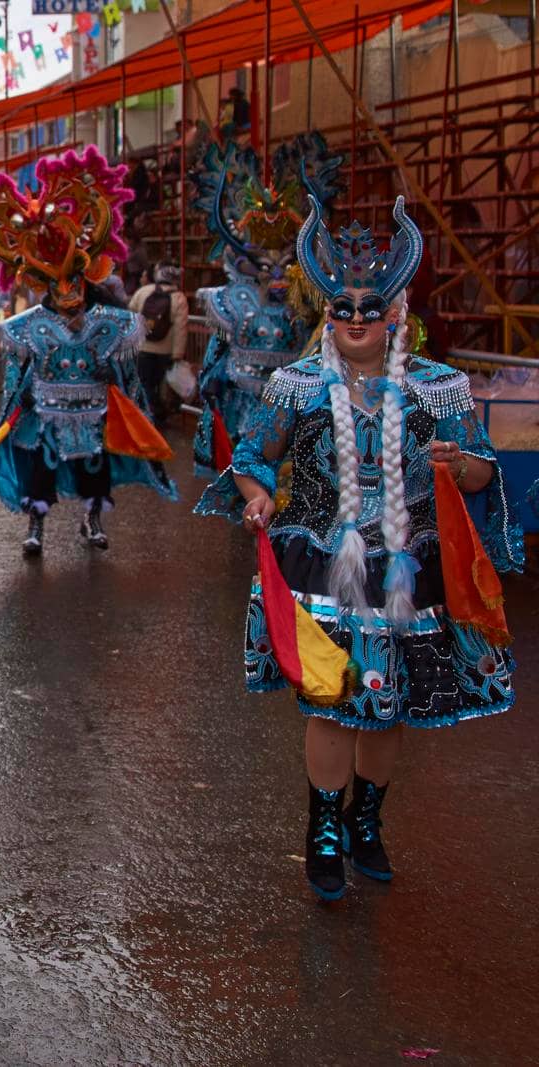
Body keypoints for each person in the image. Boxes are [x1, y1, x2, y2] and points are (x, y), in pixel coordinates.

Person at [196, 197, 522, 902]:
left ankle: (365, 820)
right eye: (341, 308)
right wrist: (256, 494)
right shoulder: (299, 385)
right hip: (320, 565)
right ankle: (323, 830)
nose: (355, 320)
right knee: (332, 702)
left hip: (408, 568)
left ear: (395, 313)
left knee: (388, 705)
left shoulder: (438, 389)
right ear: (326, 314)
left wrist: (454, 462)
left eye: (370, 308)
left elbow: (484, 473)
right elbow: (252, 453)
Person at [0, 146, 177, 554]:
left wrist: (125, 397)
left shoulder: (110, 323)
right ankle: (35, 527)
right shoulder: (29, 326)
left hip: (92, 413)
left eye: (74, 284)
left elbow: (126, 373)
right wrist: (13, 412)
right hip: (45, 414)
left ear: (86, 281)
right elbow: (16, 379)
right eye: (59, 287)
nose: (68, 294)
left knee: (95, 473)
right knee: (41, 473)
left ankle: (92, 522)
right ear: (46, 287)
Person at [190, 134, 341, 477]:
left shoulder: (307, 300)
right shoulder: (232, 300)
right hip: (243, 399)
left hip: (291, 402)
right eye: (264, 263)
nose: (274, 272)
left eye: (284, 262)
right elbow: (218, 349)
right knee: (246, 465)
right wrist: (212, 380)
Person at [127, 262, 189, 419]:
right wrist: (178, 354)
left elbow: (130, 316)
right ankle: (154, 414)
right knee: (159, 384)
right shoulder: (179, 298)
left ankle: (146, 416)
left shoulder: (143, 292)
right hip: (165, 351)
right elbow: (181, 328)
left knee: (144, 383)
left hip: (142, 347)